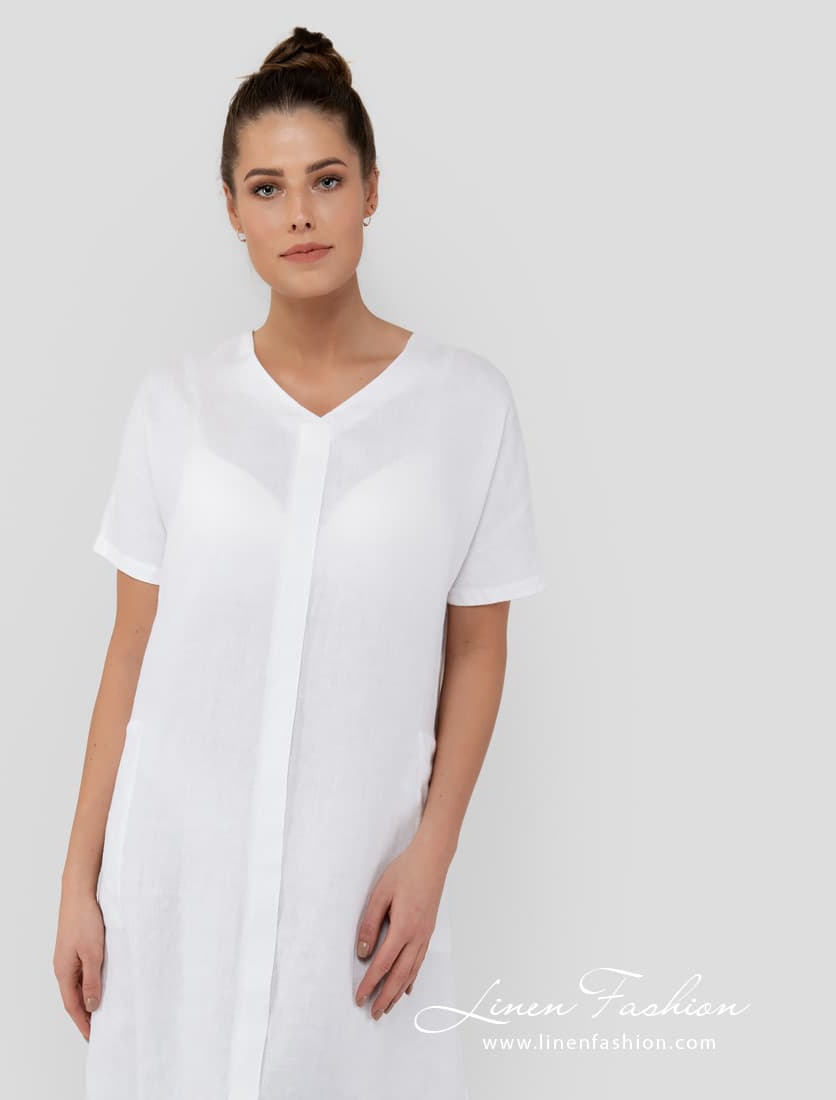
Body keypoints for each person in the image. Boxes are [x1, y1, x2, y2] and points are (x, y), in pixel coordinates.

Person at [54, 25, 546, 1100]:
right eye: (266, 189)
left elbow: (477, 648)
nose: (299, 215)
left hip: (357, 893)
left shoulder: (465, 406)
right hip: (174, 886)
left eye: (325, 180)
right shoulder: (175, 407)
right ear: (232, 211)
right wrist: (78, 881)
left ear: (371, 189)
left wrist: (432, 854)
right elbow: (131, 649)